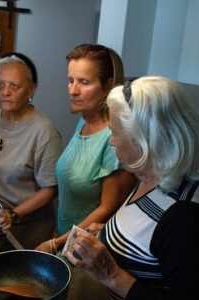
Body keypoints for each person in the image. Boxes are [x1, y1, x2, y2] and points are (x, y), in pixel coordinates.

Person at [65, 76, 199, 300]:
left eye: (116, 132)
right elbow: (151, 239)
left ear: (147, 139)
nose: (112, 140)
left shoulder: (186, 218)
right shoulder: (151, 176)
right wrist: (109, 232)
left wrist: (112, 275)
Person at [35, 44, 135, 254]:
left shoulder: (113, 138)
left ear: (108, 85)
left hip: (88, 249)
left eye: (84, 82)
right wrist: (60, 233)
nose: (73, 90)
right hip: (67, 240)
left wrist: (59, 242)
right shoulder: (84, 121)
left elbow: (108, 208)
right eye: (70, 81)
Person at [0, 53, 62, 249]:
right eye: (0, 85)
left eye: (15, 86)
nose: (5, 92)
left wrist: (14, 214)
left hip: (27, 227)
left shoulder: (44, 131)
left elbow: (50, 190)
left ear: (31, 90)